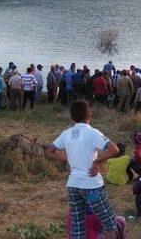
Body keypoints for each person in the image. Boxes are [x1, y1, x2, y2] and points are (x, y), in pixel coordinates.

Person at [45, 100, 120, 239]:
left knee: (77, 225)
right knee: (109, 222)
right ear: (89, 115)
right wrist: (97, 161)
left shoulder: (67, 133)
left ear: (72, 118)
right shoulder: (92, 132)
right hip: (91, 186)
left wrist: (67, 159)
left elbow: (49, 151)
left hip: (73, 185)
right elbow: (114, 149)